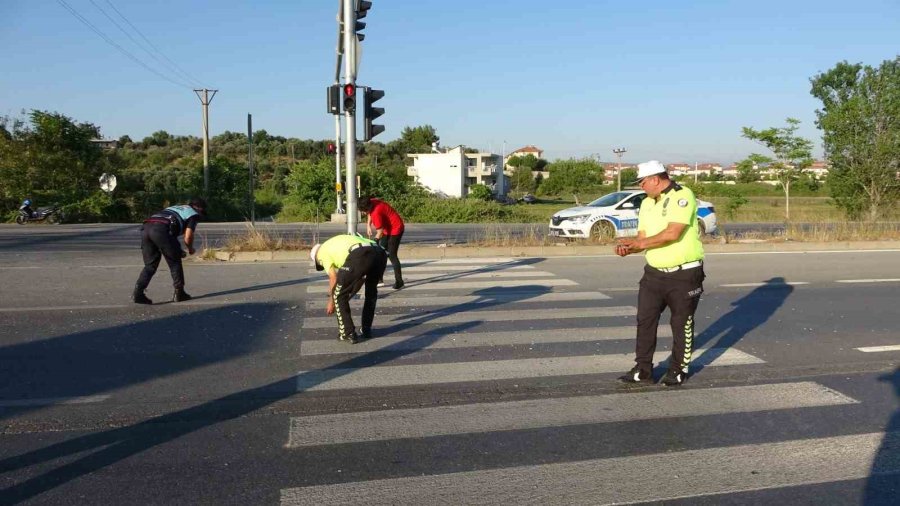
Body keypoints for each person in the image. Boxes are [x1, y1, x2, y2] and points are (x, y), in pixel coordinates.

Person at [615, 161, 705, 386]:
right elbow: (644, 237)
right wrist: (631, 246)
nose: (641, 187)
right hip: (653, 273)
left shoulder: (682, 195)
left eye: (642, 182)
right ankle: (643, 369)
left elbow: (672, 233)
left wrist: (640, 243)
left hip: (684, 274)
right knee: (645, 320)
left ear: (655, 179)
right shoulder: (646, 203)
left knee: (681, 322)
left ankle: (678, 368)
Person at [311, 234, 388, 344]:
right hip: (380, 253)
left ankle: (347, 333)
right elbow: (359, 278)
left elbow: (333, 277)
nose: (322, 266)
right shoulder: (335, 244)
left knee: (338, 294)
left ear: (316, 258)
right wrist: (348, 294)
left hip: (359, 253)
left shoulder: (321, 253)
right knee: (371, 293)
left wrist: (332, 301)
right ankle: (366, 330)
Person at [132, 198, 207, 305]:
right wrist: (190, 249)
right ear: (199, 208)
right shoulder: (193, 214)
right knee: (175, 262)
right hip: (161, 230)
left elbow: (171, 234)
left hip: (146, 228)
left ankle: (138, 294)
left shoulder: (174, 208)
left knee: (150, 266)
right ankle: (179, 293)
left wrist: (178, 249)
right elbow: (188, 236)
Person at [359, 196, 405, 289]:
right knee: (381, 253)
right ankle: (379, 279)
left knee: (391, 255)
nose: (363, 213)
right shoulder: (371, 201)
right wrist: (368, 225)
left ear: (368, 207)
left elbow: (379, 232)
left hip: (396, 229)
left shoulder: (376, 213)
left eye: (363, 211)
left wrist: (373, 242)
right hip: (386, 228)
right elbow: (369, 214)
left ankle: (399, 281)